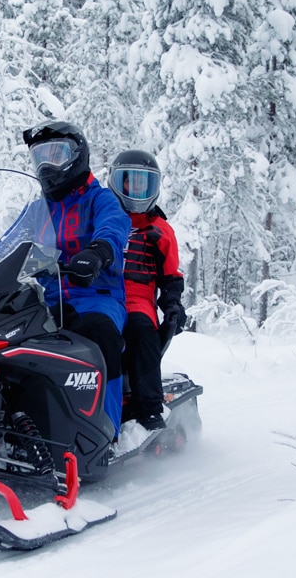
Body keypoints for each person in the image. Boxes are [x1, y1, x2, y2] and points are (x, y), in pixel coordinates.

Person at [22, 121, 131, 434]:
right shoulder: (36, 210)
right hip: (46, 300)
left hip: (95, 298)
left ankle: (106, 429)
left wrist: (97, 252)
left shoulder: (101, 199)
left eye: (55, 155)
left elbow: (114, 226)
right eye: (39, 156)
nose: (46, 164)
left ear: (76, 156)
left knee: (100, 336)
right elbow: (11, 241)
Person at [105, 150, 186, 431]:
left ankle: (149, 407)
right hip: (100, 296)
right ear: (117, 183)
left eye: (144, 184)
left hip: (137, 300)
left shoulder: (159, 230)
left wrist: (173, 305)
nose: (137, 190)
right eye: (131, 183)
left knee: (142, 333)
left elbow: (171, 275)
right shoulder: (103, 220)